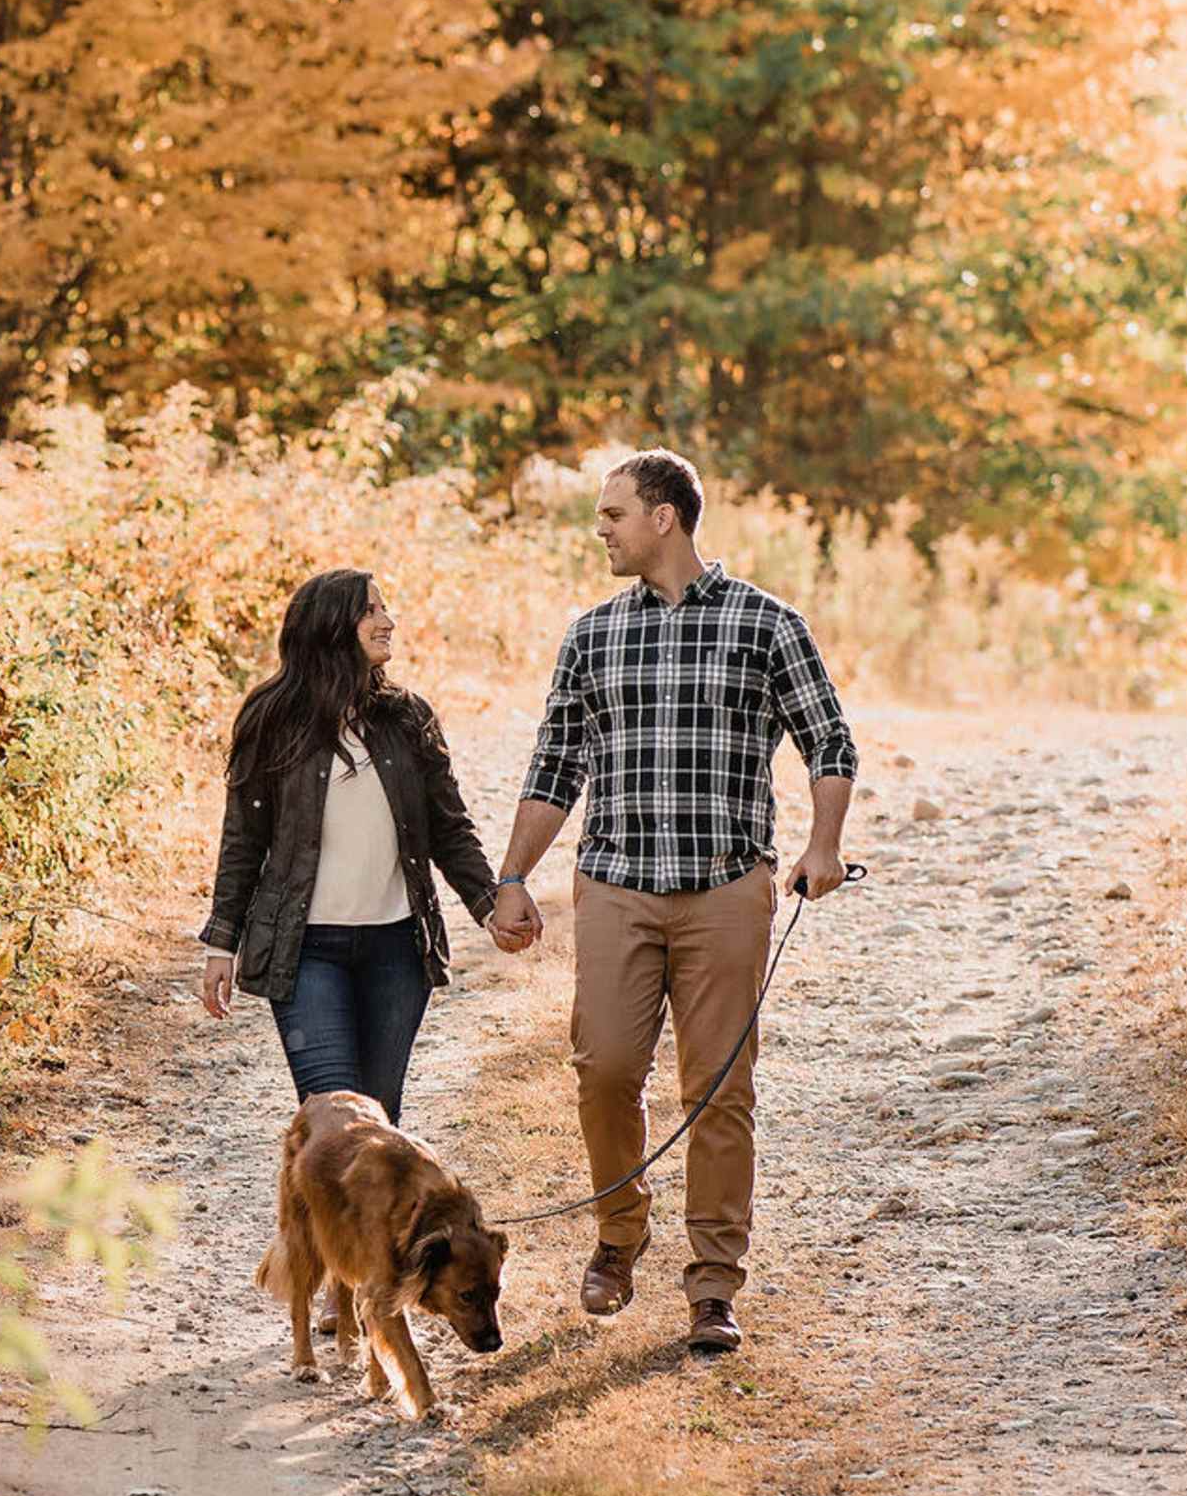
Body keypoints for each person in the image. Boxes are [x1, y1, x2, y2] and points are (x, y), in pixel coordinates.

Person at [486, 450, 856, 1356]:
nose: (601, 529)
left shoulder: (766, 624)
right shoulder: (593, 635)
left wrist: (823, 846)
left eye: (613, 513)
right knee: (604, 1067)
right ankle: (621, 1231)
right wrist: (512, 875)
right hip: (614, 883)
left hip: (727, 889)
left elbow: (830, 742)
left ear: (665, 518)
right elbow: (554, 766)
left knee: (720, 1090)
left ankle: (713, 1284)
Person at [195, 569, 504, 1127]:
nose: (388, 622)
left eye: (385, 609)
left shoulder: (408, 718)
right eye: (372, 611)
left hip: (397, 950)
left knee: (380, 1122)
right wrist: (222, 941)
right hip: (307, 951)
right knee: (336, 1123)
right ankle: (317, 1217)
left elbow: (449, 828)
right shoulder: (271, 719)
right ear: (331, 625)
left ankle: (361, 1220)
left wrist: (490, 903)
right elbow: (243, 839)